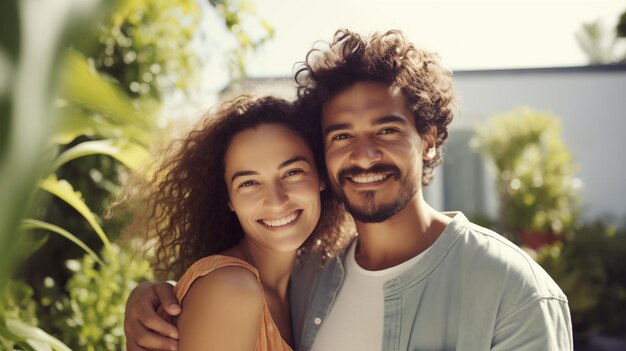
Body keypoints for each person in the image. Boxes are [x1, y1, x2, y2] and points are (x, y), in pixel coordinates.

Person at [125, 29, 573, 351]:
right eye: (341, 135)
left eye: (386, 128)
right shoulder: (312, 275)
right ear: (325, 158)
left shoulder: (514, 292)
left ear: (429, 137)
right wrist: (164, 298)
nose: (364, 154)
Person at [123, 95, 349, 350]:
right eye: (249, 183)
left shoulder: (311, 281)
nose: (276, 201)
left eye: (292, 172)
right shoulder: (232, 288)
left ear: (321, 176)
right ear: (229, 199)